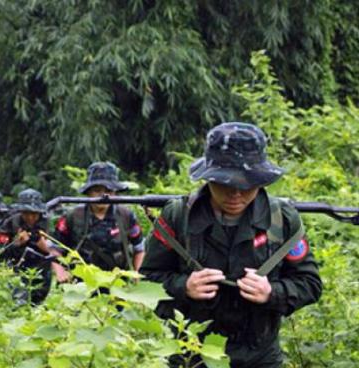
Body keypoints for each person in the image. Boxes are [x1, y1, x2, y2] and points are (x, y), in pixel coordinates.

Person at [140, 122, 322, 367]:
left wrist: (271, 293)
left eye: (247, 184)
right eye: (225, 184)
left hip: (259, 357)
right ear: (208, 178)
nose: (236, 194)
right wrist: (184, 286)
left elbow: (309, 284)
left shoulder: (281, 219)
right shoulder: (178, 216)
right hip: (192, 354)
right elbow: (146, 281)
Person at [52, 162, 145, 283]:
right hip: (81, 285)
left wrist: (137, 274)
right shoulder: (73, 216)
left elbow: (139, 248)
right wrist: (60, 271)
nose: (103, 195)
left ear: (115, 192)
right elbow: (54, 248)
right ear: (88, 192)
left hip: (117, 284)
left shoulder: (126, 216)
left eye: (109, 190)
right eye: (97, 190)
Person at [0, 188, 55, 305]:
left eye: (34, 214)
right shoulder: (10, 223)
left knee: (39, 304)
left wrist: (46, 247)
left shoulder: (47, 223)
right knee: (19, 304)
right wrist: (16, 243)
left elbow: (60, 248)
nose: (30, 217)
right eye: (26, 213)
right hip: (17, 269)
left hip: (42, 271)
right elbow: (0, 251)